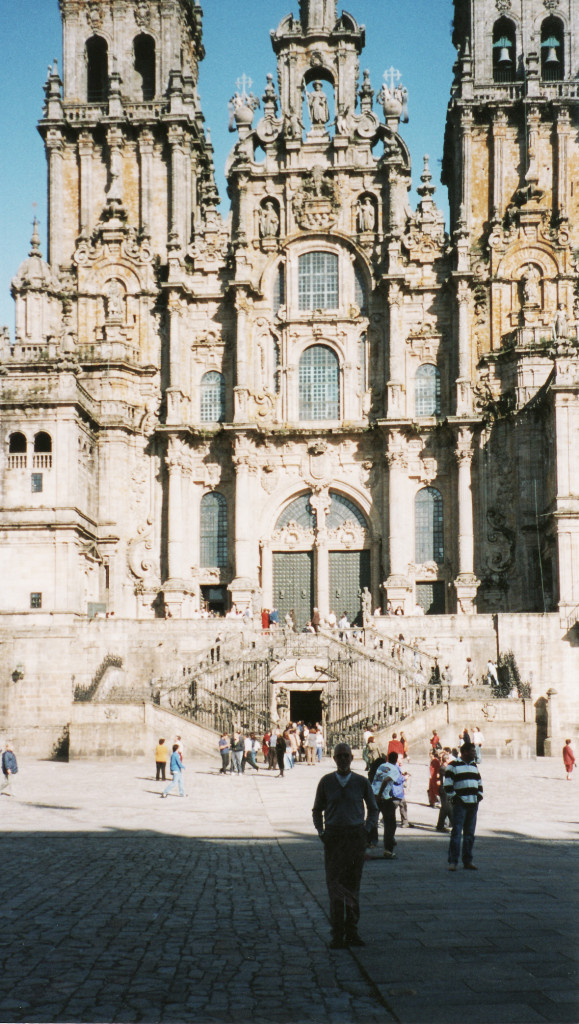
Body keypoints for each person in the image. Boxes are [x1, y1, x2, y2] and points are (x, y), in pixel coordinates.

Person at [312, 743, 378, 949]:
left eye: (345, 756)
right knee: (334, 885)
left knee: (352, 885)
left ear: (352, 758)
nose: (342, 760)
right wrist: (321, 831)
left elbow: (373, 809)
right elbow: (317, 810)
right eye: (339, 756)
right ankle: (337, 933)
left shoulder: (361, 781)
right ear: (334, 759)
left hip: (354, 837)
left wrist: (366, 830)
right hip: (333, 837)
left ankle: (352, 930)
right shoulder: (326, 782)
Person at [443, 741, 483, 870]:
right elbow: (447, 785)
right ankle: (453, 861)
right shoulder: (453, 766)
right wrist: (455, 799)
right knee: (457, 833)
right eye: (472, 751)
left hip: (473, 803)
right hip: (460, 803)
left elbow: (479, 781)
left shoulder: (474, 766)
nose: (474, 753)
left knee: (470, 834)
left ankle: (467, 860)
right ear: (464, 752)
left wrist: (479, 795)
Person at [372, 752, 405, 859]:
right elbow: (386, 780)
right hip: (383, 797)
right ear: (396, 760)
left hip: (373, 793)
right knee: (390, 824)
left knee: (372, 819)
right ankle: (388, 849)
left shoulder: (382, 766)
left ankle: (370, 841)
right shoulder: (395, 770)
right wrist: (380, 794)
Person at [436, 751, 453, 832]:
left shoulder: (445, 768)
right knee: (447, 807)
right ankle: (452, 823)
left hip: (445, 788)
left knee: (445, 808)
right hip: (444, 789)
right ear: (446, 760)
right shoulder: (444, 768)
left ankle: (440, 825)